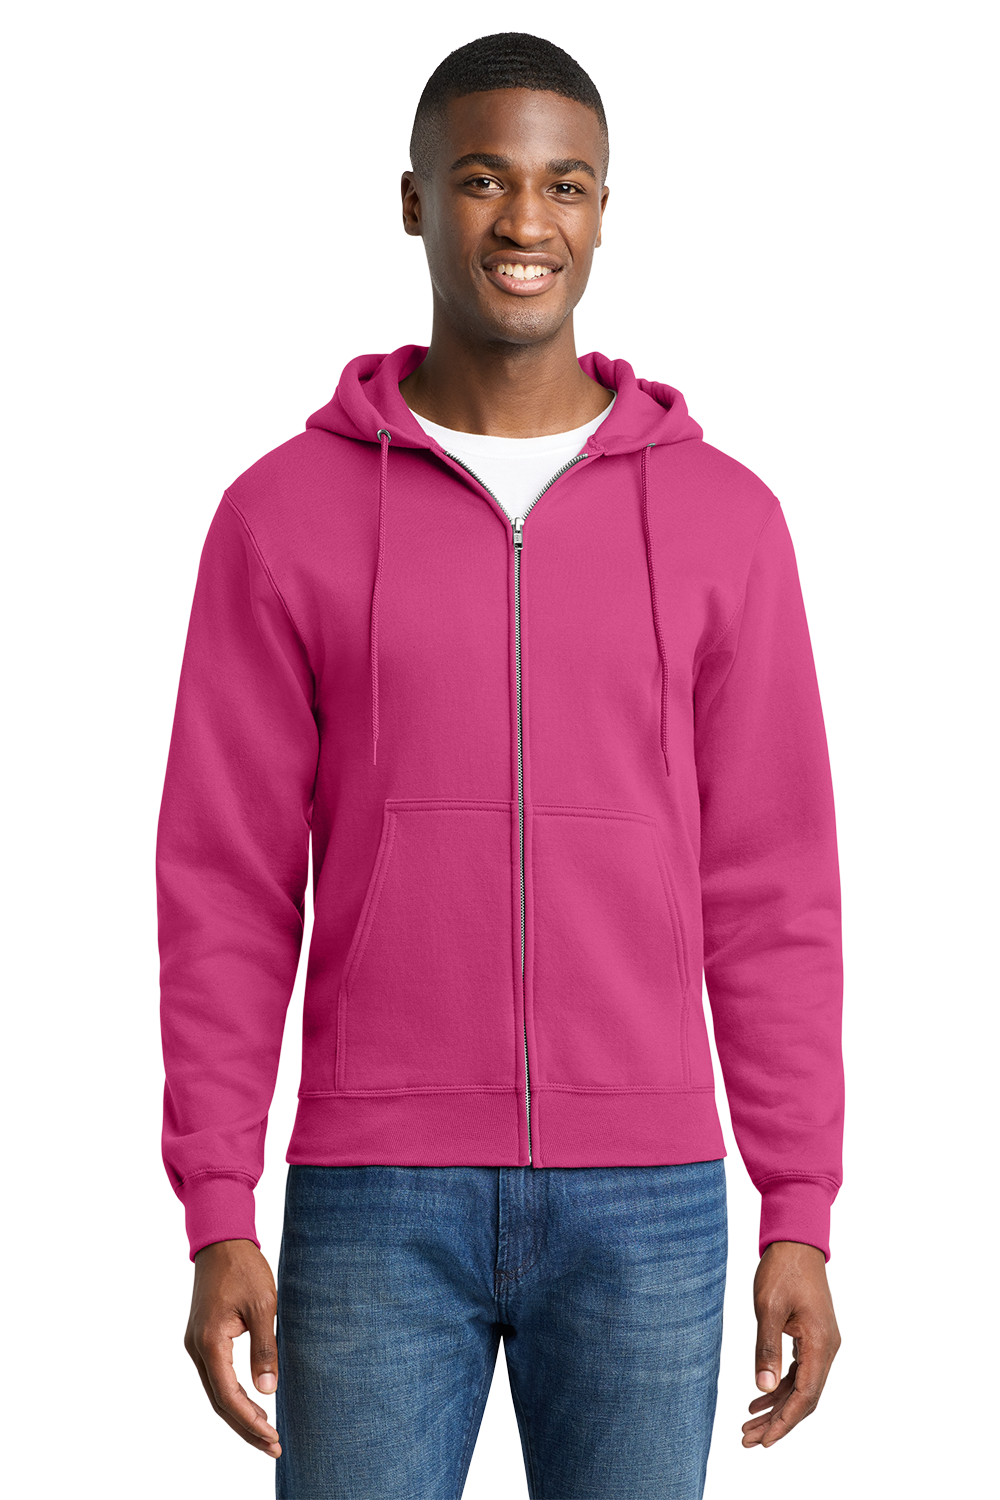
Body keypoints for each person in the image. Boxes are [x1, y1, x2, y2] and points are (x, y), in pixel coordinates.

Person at [156, 31, 844, 1500]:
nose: (525, 220)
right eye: (482, 179)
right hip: (374, 1194)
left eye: (563, 185)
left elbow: (774, 888)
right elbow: (223, 884)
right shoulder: (281, 516)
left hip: (649, 1196)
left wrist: (799, 1203)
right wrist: (218, 1201)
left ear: (602, 210)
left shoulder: (726, 521)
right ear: (413, 200)